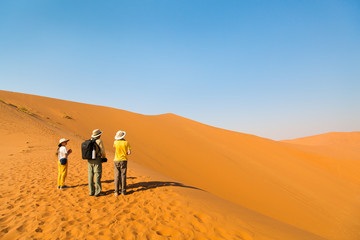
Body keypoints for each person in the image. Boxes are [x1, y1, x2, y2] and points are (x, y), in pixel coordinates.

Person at [88, 129, 106, 197]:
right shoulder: (99, 141)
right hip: (97, 159)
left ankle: (91, 191)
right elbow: (102, 150)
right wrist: (103, 157)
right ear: (99, 135)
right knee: (97, 174)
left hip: (89, 160)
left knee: (90, 175)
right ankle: (97, 192)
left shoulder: (90, 140)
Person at [113, 130, 131, 196]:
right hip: (124, 160)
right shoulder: (126, 143)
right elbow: (129, 152)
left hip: (116, 160)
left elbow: (114, 147)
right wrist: (125, 153)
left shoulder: (115, 142)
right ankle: (123, 191)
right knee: (123, 175)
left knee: (117, 175)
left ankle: (116, 192)